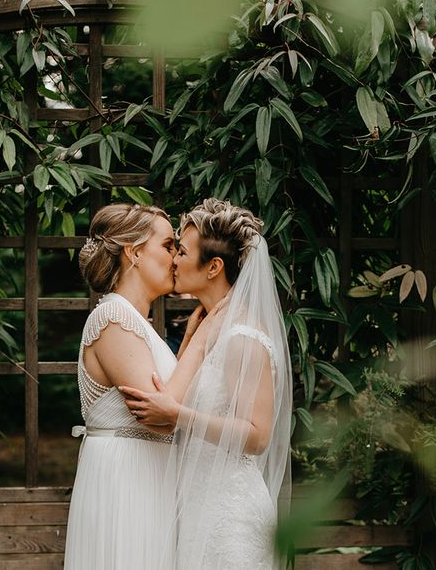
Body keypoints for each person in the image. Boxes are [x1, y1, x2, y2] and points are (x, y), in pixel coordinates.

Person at [120, 199, 293, 569]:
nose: (174, 260)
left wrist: (179, 415)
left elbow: (258, 435)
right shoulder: (210, 326)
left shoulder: (242, 337)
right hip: (200, 507)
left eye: (181, 251)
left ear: (214, 266)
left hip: (230, 517)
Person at [63, 203, 206, 570]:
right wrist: (203, 336)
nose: (176, 257)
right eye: (168, 245)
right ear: (135, 252)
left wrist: (190, 337)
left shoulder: (137, 323)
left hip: (149, 474)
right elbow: (158, 416)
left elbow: (170, 398)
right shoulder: (112, 317)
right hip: (125, 481)